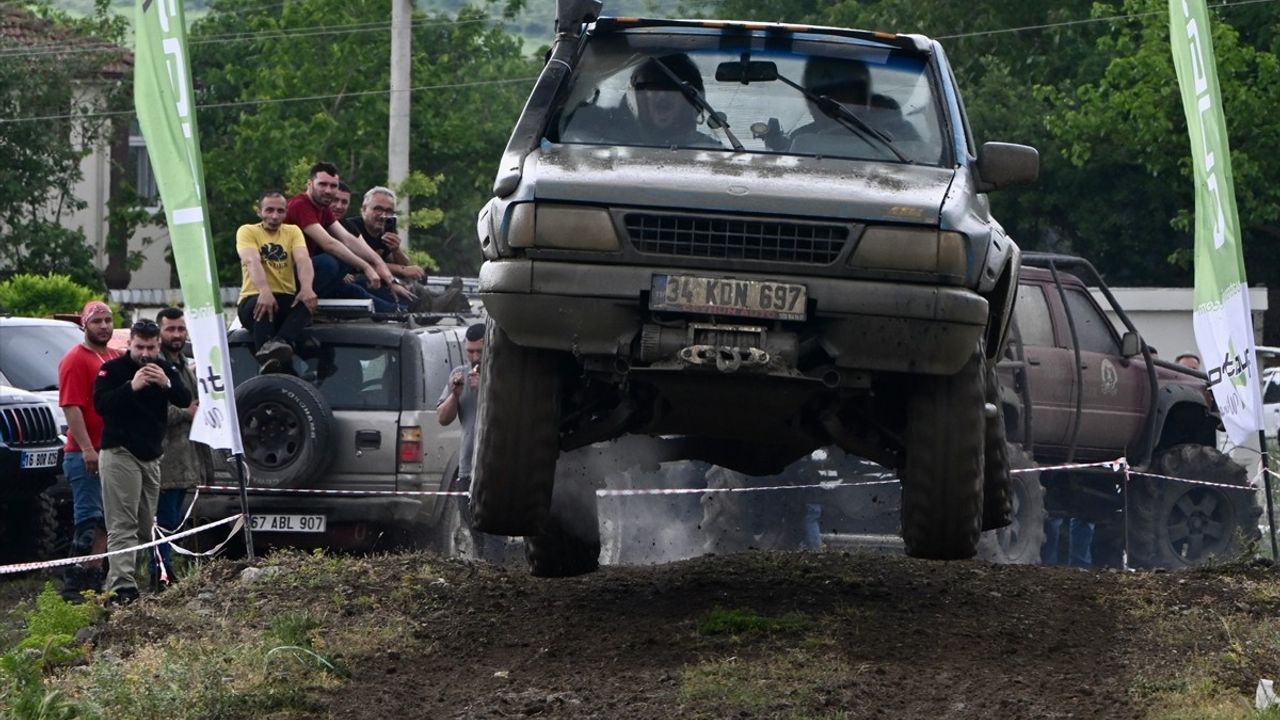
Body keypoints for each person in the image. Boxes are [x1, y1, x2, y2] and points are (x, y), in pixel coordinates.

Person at [94, 319, 192, 604]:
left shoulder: (164, 368)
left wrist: (166, 382)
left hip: (152, 455)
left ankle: (127, 577)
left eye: (150, 347)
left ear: (157, 345)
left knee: (145, 525)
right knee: (122, 523)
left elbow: (185, 399)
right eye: (140, 347)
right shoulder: (112, 370)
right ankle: (121, 587)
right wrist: (132, 386)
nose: (145, 354)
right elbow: (101, 405)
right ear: (129, 344)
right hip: (120, 451)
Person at [285, 162, 413, 312]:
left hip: (316, 274)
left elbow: (349, 240)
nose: (328, 191)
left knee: (352, 288)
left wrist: (391, 281)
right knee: (332, 262)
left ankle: (398, 312)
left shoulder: (325, 210)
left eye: (333, 186)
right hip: (286, 273)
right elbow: (329, 244)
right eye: (323, 185)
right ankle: (298, 309)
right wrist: (367, 267)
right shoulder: (300, 205)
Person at [57, 300, 120, 600]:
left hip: (111, 451)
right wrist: (86, 449)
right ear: (85, 324)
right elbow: (72, 407)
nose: (104, 326)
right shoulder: (75, 359)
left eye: (108, 320)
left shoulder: (113, 356)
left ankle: (93, 579)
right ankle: (73, 586)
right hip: (83, 454)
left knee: (106, 523)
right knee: (87, 521)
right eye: (98, 321)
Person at [152, 307, 213, 588]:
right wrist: (188, 412)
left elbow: (194, 403)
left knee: (174, 520)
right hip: (162, 457)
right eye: (170, 329)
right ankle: (160, 572)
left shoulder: (184, 363)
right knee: (163, 520)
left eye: (180, 329)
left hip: (185, 457)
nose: (177, 334)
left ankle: (167, 568)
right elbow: (155, 411)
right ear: (160, 331)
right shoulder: (156, 366)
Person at [237, 190, 318, 372]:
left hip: (284, 299)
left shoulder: (292, 231)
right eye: (269, 210)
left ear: (286, 212)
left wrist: (306, 288)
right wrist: (264, 291)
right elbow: (251, 260)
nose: (274, 216)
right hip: (253, 298)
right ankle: (265, 354)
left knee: (307, 302)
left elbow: (303, 259)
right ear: (259, 211)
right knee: (265, 306)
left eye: (280, 211)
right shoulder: (247, 231)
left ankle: (279, 344)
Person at [789, 55, 918, 147]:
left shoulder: (894, 142)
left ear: (860, 100)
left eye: (841, 93)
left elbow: (923, 160)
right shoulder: (797, 140)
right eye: (818, 96)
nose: (826, 104)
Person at [437, 323, 487, 555]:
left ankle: (499, 571)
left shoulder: (503, 375)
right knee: (472, 525)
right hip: (467, 469)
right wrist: (455, 396)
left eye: (479, 351)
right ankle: (490, 574)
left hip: (495, 469)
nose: (474, 357)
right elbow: (443, 419)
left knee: (494, 531)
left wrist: (486, 387)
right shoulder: (459, 374)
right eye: (470, 351)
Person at [630, 54, 723, 149]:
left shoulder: (711, 150)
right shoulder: (620, 146)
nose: (662, 94)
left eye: (672, 87)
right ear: (639, 98)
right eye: (653, 87)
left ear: (693, 100)